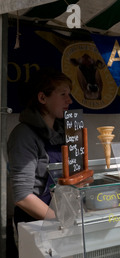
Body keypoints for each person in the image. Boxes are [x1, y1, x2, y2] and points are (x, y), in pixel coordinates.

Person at [7, 68, 72, 231]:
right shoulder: (24, 135)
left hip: (61, 215)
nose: (69, 100)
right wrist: (62, 223)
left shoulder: (62, 133)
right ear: (43, 98)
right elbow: (23, 197)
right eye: (63, 94)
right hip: (35, 223)